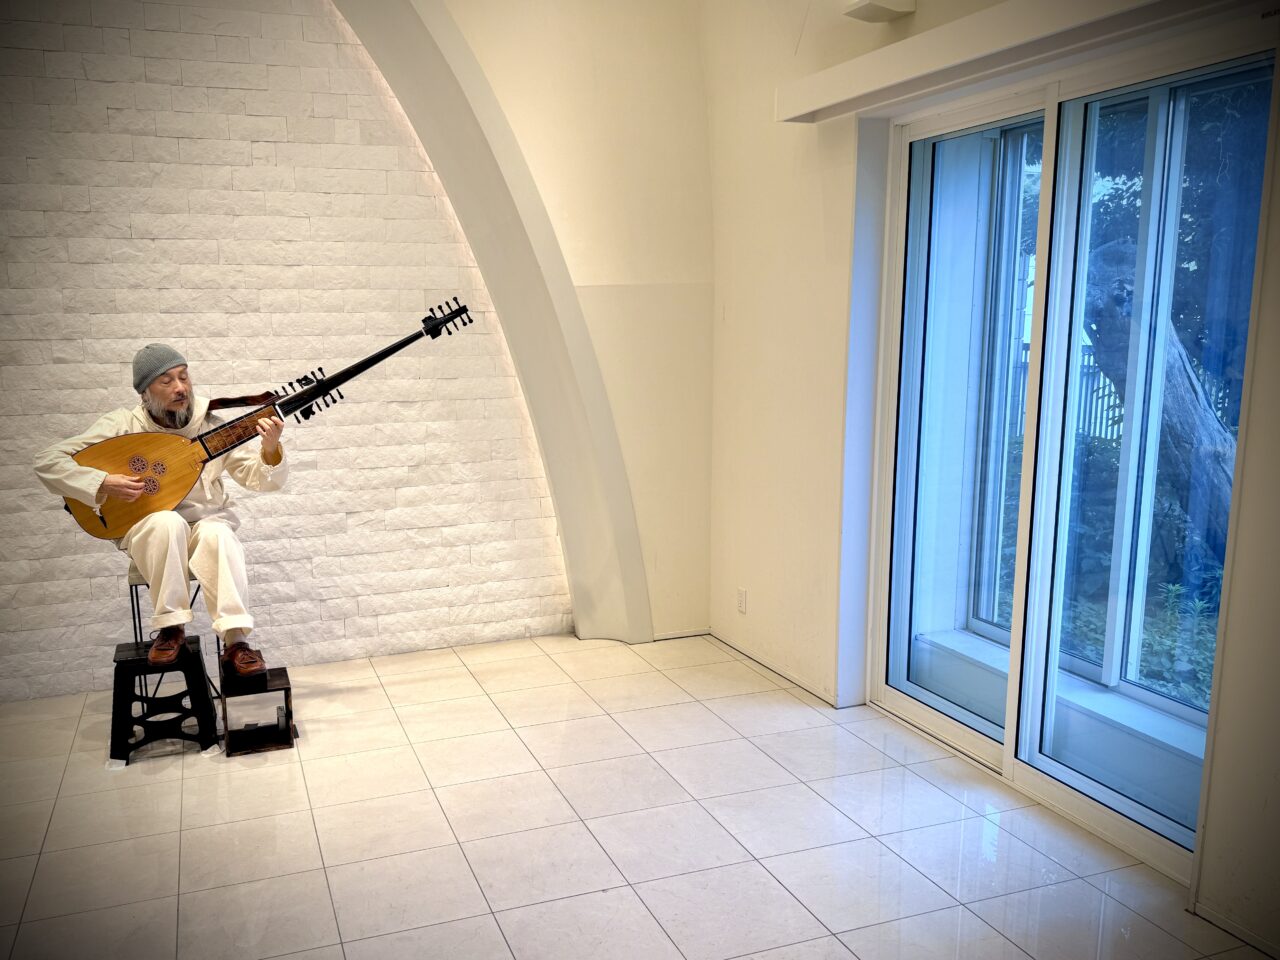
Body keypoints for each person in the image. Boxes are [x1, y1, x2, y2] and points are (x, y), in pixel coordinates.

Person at [34, 344, 288, 676]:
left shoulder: (210, 426)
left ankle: (236, 642)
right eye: (166, 381)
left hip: (205, 523)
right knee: (167, 523)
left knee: (218, 533)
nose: (180, 388)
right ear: (145, 392)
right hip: (148, 528)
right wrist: (102, 482)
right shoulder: (123, 424)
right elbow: (47, 462)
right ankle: (171, 628)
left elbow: (260, 479)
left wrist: (270, 449)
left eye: (184, 377)